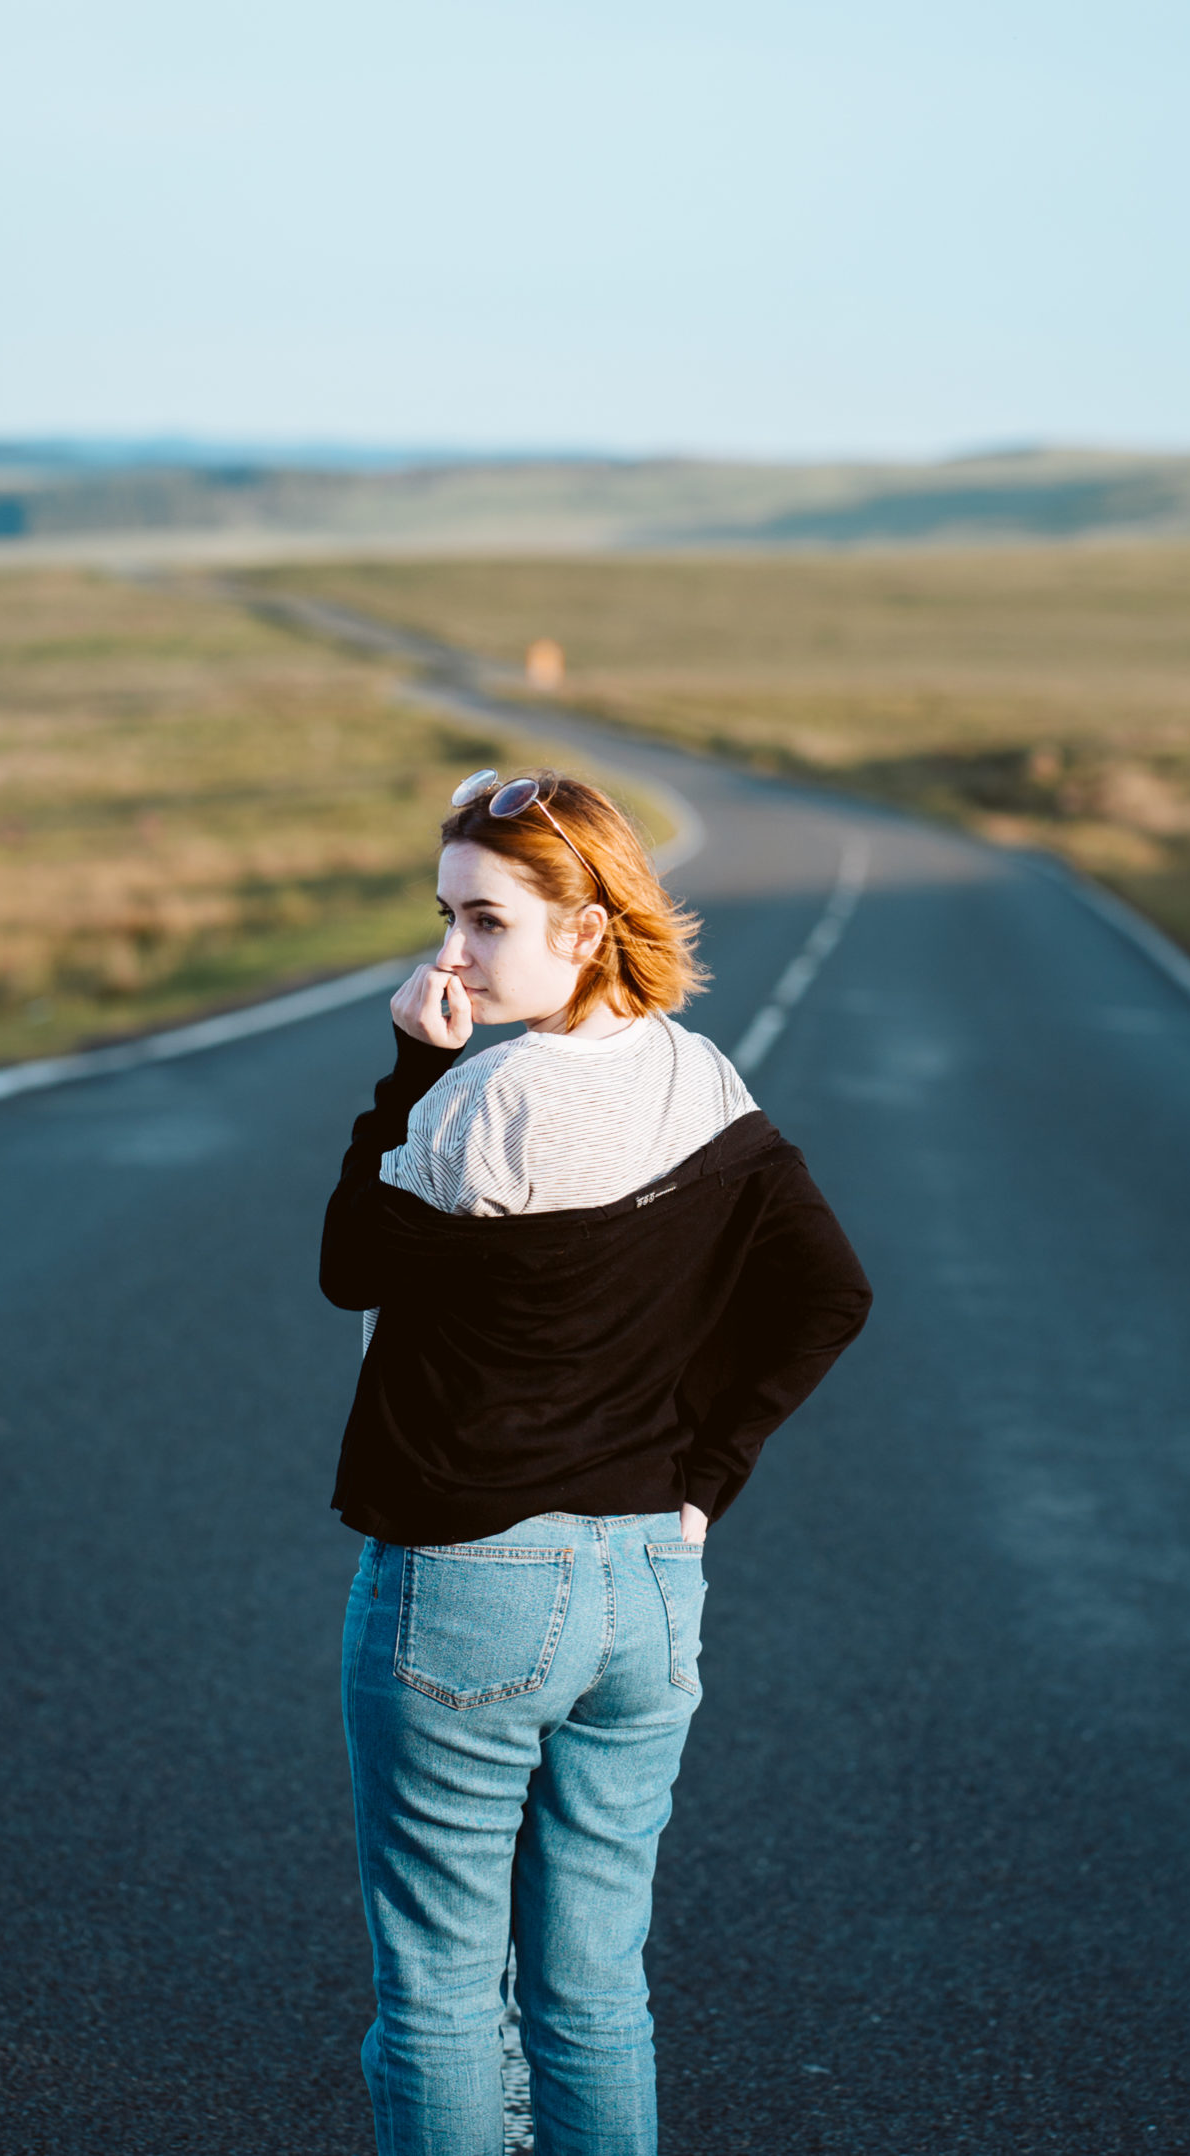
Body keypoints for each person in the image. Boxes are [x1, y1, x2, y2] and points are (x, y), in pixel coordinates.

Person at [321, 768, 872, 2156]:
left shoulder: (474, 1107)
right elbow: (831, 1291)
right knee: (591, 1992)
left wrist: (411, 1071)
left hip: (468, 1583)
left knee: (447, 1990)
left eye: (486, 920)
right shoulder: (705, 1078)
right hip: (649, 1584)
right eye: (442, 915)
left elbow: (348, 1266)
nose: (448, 953)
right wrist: (707, 1475)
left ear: (586, 924)